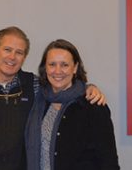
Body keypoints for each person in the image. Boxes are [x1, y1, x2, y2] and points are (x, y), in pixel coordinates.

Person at [0, 26, 106, 170]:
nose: (12, 57)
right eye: (7, 49)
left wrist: (88, 88)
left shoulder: (35, 86)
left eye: (19, 52)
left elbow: (62, 86)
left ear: (24, 57)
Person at [25, 39, 119, 170]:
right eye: (52, 64)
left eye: (64, 65)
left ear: (75, 67)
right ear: (45, 68)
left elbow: (109, 160)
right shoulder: (38, 99)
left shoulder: (93, 105)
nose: (58, 71)